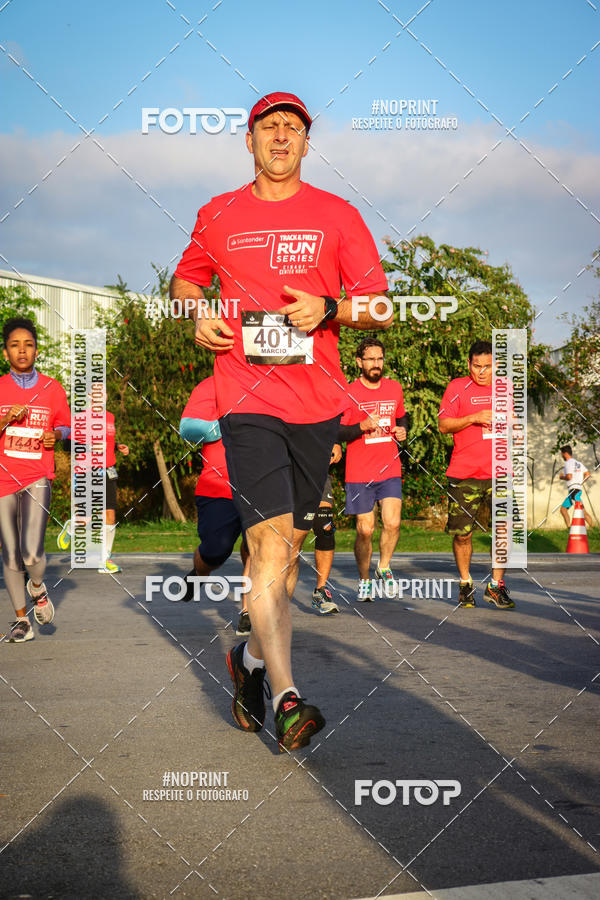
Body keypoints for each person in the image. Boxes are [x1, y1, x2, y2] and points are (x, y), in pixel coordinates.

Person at [170, 91, 390, 751]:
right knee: (267, 548)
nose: (281, 136)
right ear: (249, 140)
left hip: (315, 404)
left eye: (293, 127)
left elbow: (378, 308)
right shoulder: (218, 213)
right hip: (246, 396)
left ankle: (252, 663)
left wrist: (330, 307)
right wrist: (196, 319)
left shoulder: (338, 215)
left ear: (305, 142)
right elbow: (185, 286)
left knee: (286, 560)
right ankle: (290, 698)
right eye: (270, 126)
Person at [0, 317, 71, 642]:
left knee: (31, 553)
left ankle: (38, 588)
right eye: (15, 345)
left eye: (27, 344)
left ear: (37, 350)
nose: (22, 350)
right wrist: (4, 420)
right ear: (5, 353)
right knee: (11, 553)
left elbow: (67, 427)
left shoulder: (52, 388)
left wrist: (55, 434)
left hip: (38, 476)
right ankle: (21, 620)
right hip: (3, 480)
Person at [438, 339, 515, 609]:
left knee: (503, 531)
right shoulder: (457, 387)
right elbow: (444, 425)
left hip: (500, 472)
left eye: (488, 366)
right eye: (477, 366)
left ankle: (495, 586)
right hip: (465, 473)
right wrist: (474, 418)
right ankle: (465, 583)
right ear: (469, 364)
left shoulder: (506, 388)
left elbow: (514, 426)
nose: (482, 372)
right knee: (463, 535)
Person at [179, 375, 250, 635]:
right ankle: (199, 573)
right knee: (215, 551)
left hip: (260, 483)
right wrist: (222, 426)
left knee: (255, 545)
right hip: (218, 485)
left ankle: (247, 610)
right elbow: (187, 428)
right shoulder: (212, 385)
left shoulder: (271, 382)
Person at [339, 338, 407, 601]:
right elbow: (338, 430)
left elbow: (401, 416)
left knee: (393, 522)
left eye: (380, 359)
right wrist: (362, 426)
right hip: (359, 472)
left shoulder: (394, 388)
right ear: (359, 362)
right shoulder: (349, 392)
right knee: (364, 530)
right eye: (370, 359)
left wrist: (403, 430)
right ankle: (364, 580)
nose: (376, 364)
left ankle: (384, 567)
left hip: (389, 468)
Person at [57, 397, 129, 574]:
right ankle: (72, 526)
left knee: (110, 515)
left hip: (107, 470)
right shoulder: (81, 418)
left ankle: (105, 559)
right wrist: (89, 446)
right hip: (87, 471)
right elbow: (67, 445)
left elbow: (107, 441)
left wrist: (117, 446)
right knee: (86, 518)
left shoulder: (110, 417)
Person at [300, 443, 342, 616]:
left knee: (326, 528)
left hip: (318, 469)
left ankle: (321, 591)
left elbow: (337, 419)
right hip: (289, 468)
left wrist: (337, 440)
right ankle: (275, 594)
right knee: (291, 538)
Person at [559, 445, 592, 528]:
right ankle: (569, 528)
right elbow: (588, 474)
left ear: (565, 453)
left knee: (582, 511)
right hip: (575, 490)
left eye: (561, 454)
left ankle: (593, 528)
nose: (561, 455)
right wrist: (580, 483)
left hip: (574, 491)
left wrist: (562, 477)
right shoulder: (578, 463)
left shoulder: (568, 463)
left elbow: (569, 476)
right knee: (563, 510)